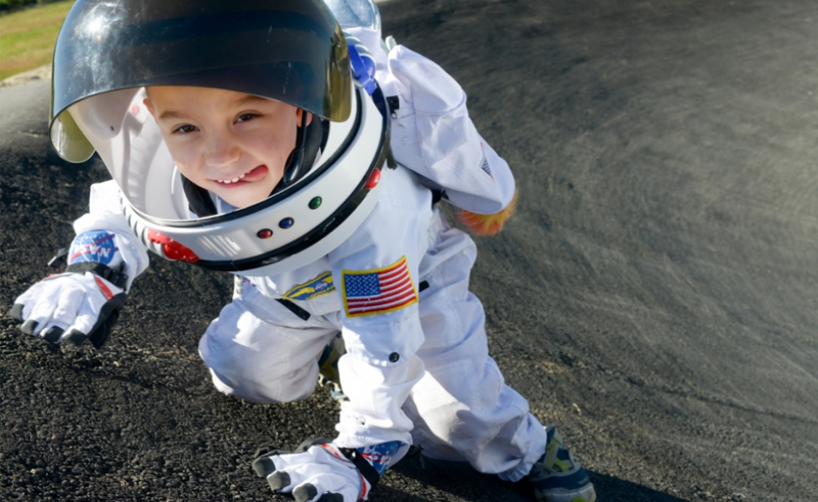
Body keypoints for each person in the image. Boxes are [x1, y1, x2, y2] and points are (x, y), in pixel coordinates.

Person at [7, 0, 597, 501]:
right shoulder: (181, 160)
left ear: (302, 105)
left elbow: (384, 330)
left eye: (247, 115)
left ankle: (532, 451)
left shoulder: (373, 207)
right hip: (290, 292)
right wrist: (90, 272)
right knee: (239, 371)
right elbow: (124, 201)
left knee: (456, 418)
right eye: (185, 128)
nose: (220, 156)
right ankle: (333, 358)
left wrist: (362, 449)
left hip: (415, 285)